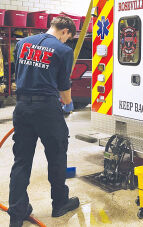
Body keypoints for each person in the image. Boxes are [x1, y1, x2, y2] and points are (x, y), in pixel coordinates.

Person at [8, 16, 80, 227]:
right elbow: (63, 85)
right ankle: (59, 203)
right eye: (69, 38)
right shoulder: (63, 50)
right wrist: (68, 104)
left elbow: (19, 72)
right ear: (65, 31)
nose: (67, 42)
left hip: (22, 108)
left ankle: (17, 213)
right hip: (47, 109)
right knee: (57, 156)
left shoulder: (22, 43)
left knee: (21, 160)